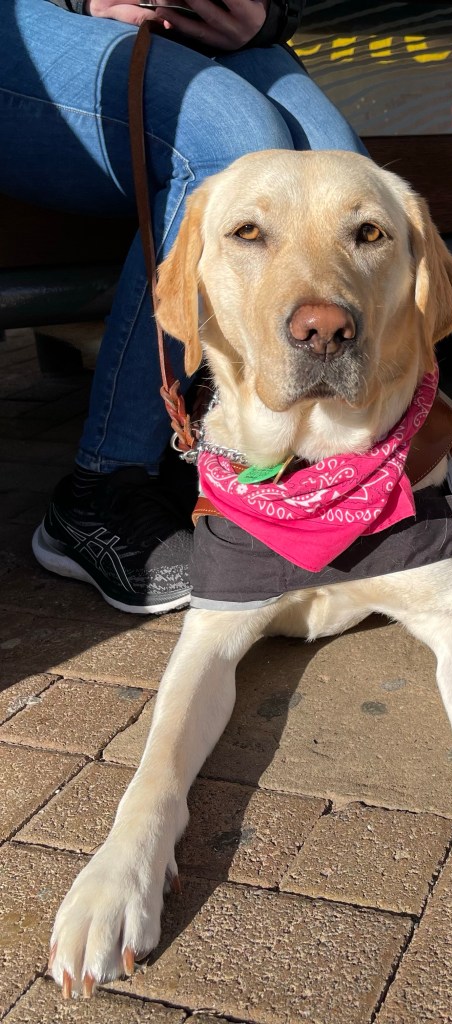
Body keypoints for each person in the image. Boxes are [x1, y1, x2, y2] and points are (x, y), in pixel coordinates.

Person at [0, 0, 366, 614]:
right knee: (231, 143)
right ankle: (102, 484)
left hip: (214, 33)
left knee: (340, 170)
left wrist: (268, 15)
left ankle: (265, 458)